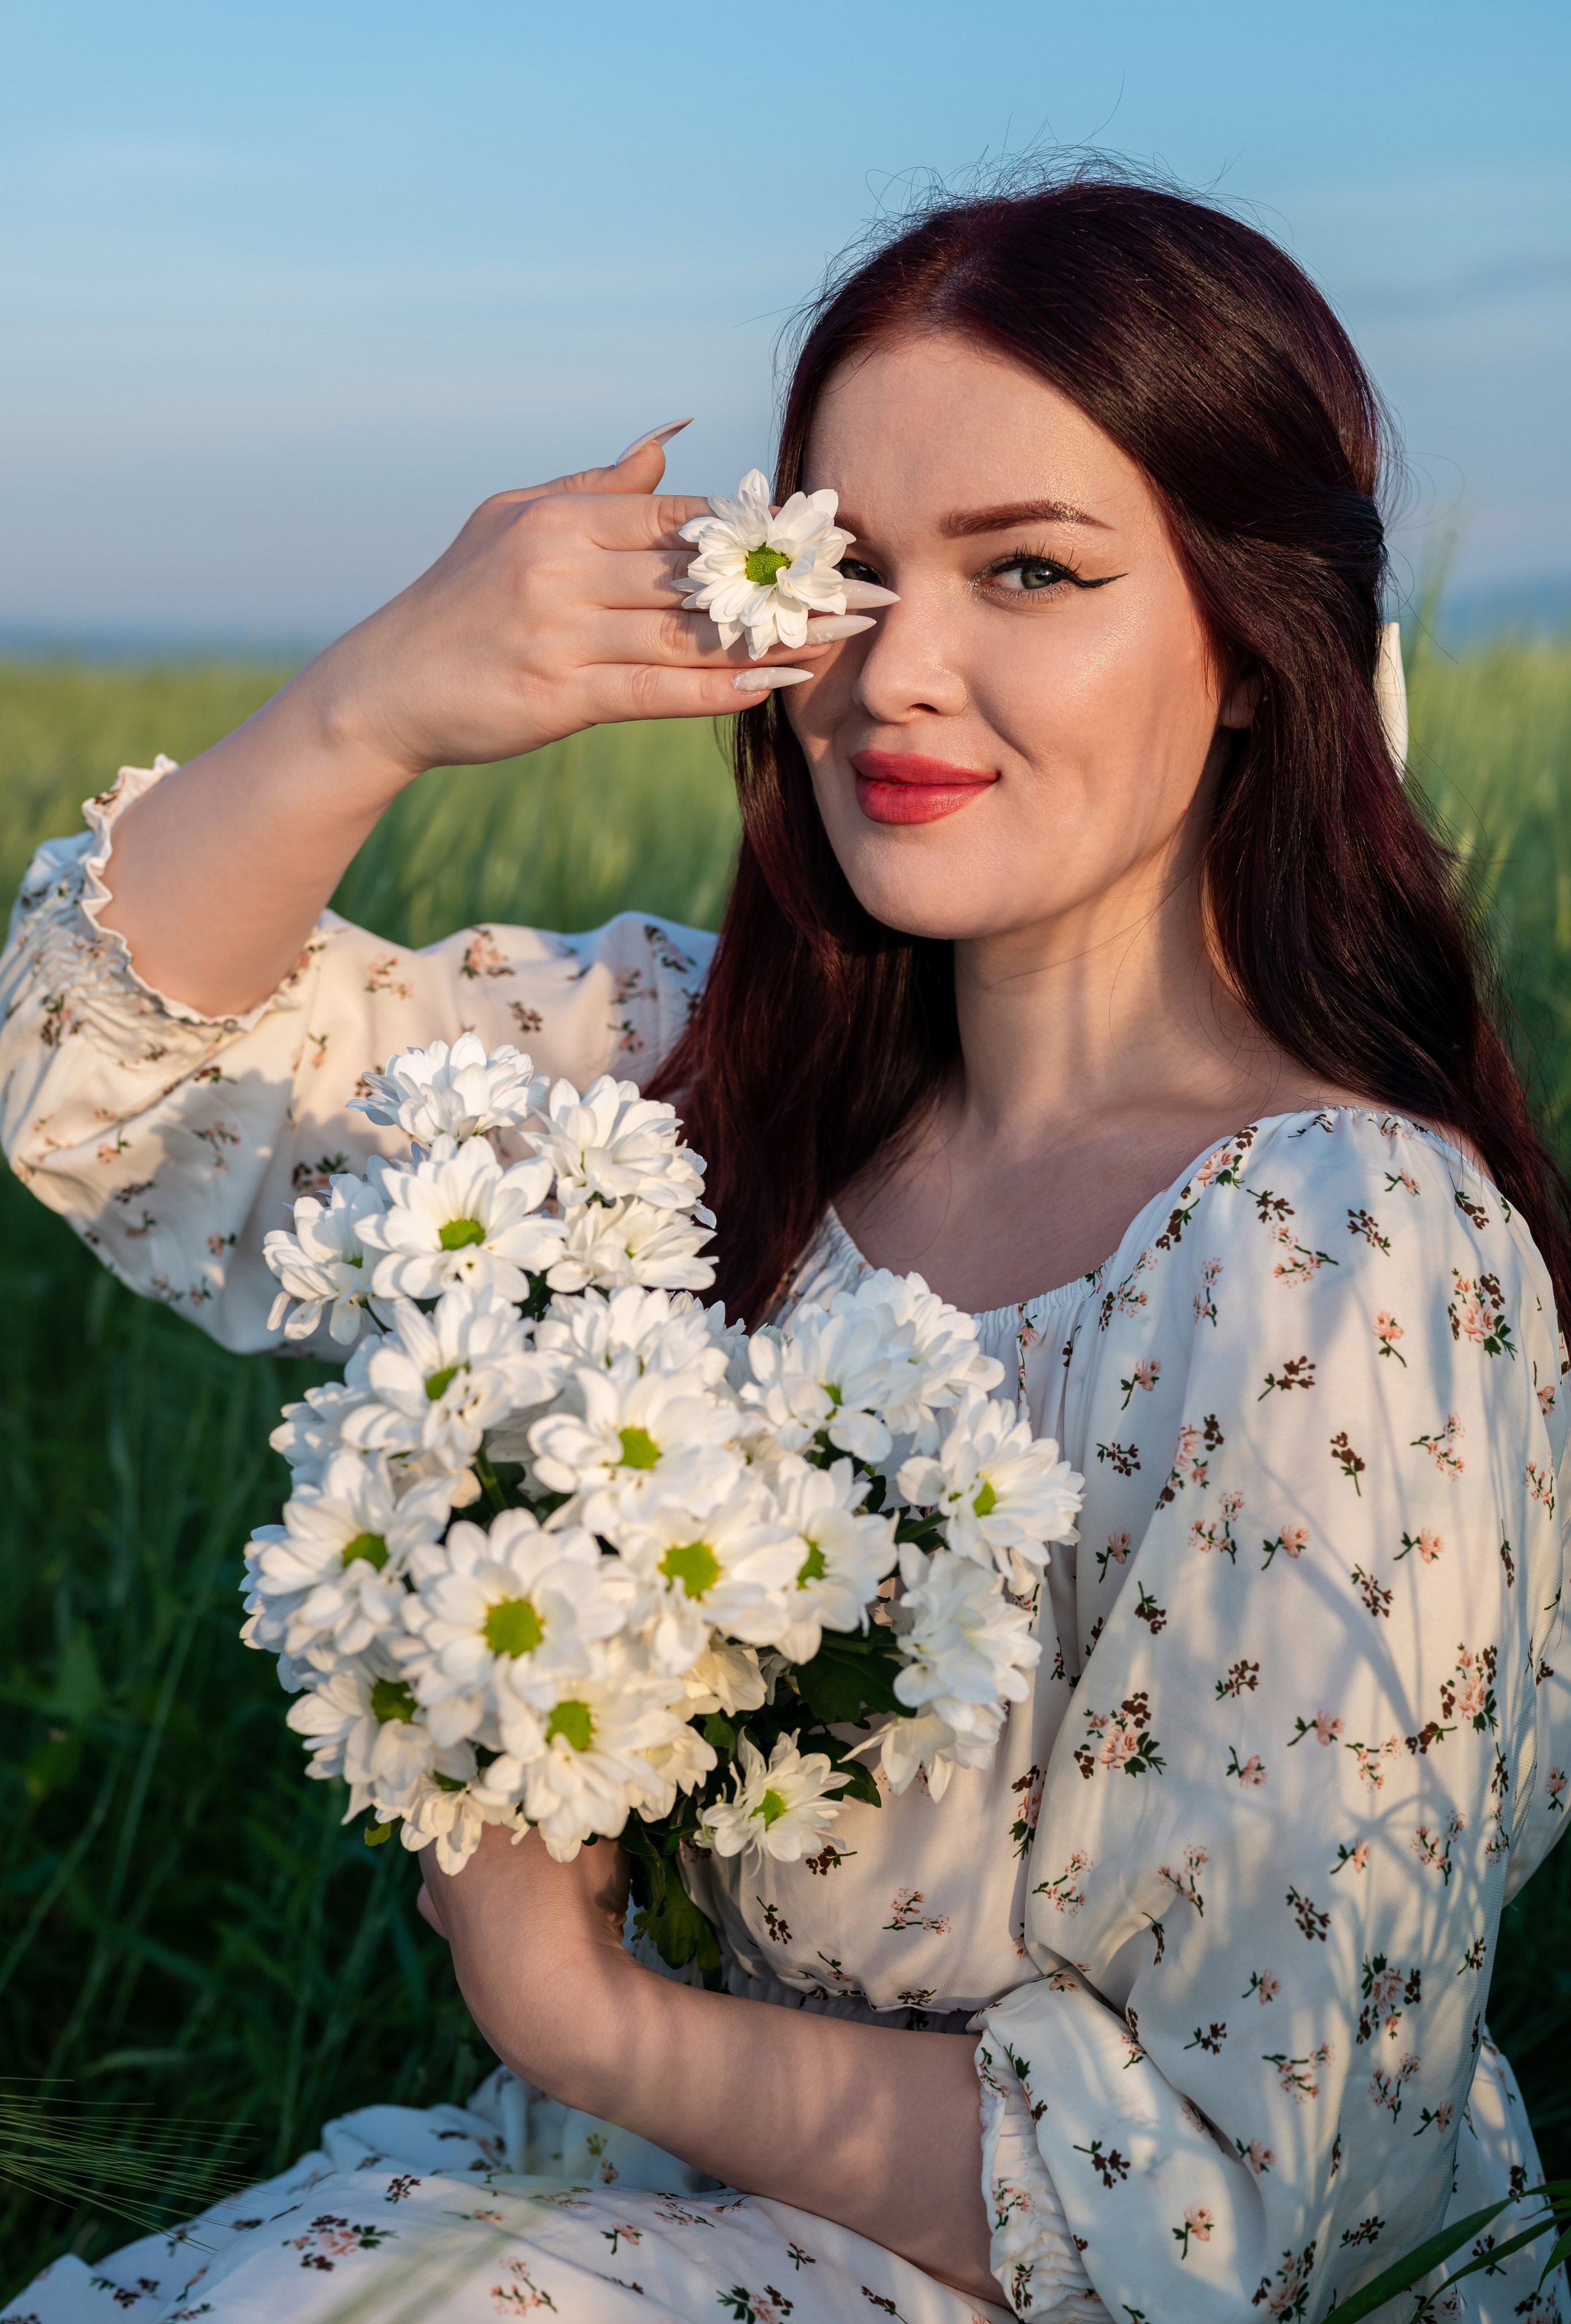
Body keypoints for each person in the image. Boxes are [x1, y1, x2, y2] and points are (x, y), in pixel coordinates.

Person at [3, 173, 1568, 2324]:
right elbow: (110, 1083)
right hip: (664, 2221)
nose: (895, 672)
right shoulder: (697, 1080)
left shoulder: (1338, 1255)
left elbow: (1235, 2209)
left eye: (1031, 568)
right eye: (849, 569)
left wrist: (588, 2018)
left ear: (1252, 644)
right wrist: (380, 697)